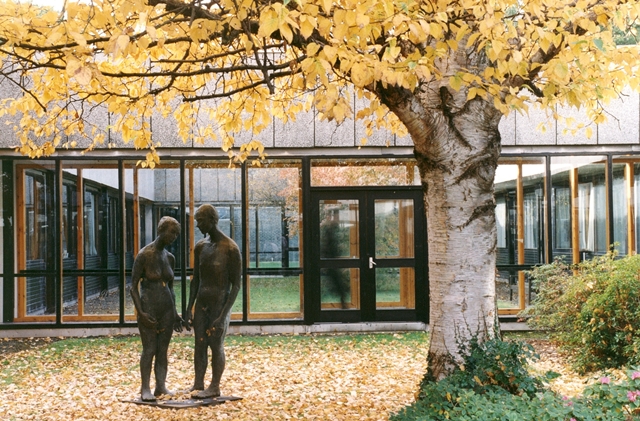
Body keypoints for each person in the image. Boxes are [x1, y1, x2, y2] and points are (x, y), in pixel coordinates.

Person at [186, 204, 241, 399]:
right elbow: (196, 280)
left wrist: (223, 314)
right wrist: (188, 308)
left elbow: (235, 286)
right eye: (197, 221)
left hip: (219, 304)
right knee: (199, 343)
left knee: (215, 344)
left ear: (212, 220)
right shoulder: (201, 247)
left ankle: (215, 386)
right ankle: (198, 382)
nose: (198, 225)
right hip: (202, 303)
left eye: (201, 220)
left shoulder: (231, 248)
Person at [130, 216, 184, 402]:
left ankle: (160, 385)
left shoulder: (170, 258)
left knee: (162, 349)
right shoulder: (144, 255)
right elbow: (133, 286)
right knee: (149, 348)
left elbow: (171, 288)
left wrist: (175, 313)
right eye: (173, 232)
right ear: (161, 230)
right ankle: (145, 387)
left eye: (177, 234)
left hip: (167, 310)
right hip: (149, 308)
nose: (175, 236)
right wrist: (141, 312)